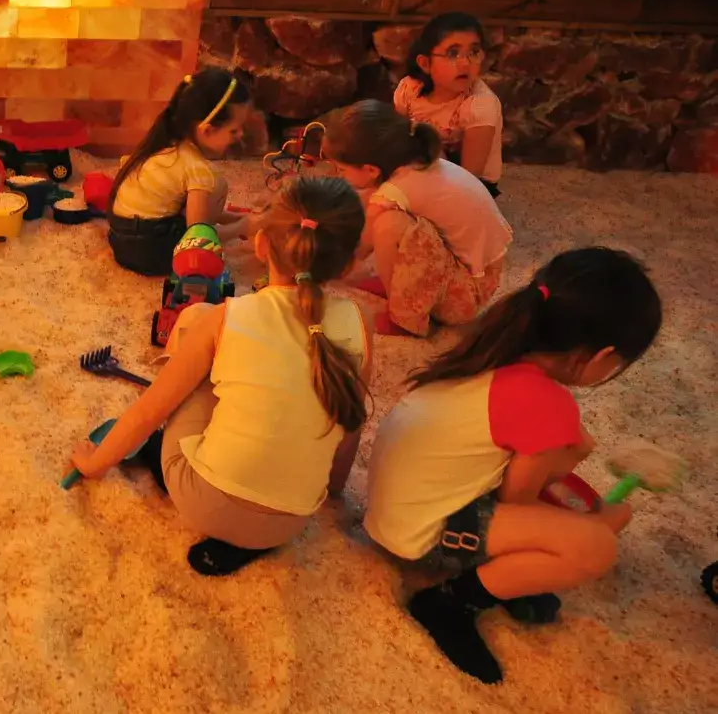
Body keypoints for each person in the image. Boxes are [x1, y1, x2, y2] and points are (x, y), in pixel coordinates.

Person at [363, 247, 663, 684]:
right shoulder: (548, 401)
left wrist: (570, 455)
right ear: (602, 356)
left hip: (392, 514)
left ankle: (502, 580)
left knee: (565, 501)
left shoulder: (494, 350)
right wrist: (597, 523)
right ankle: (451, 602)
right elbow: (516, 500)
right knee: (595, 547)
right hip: (421, 538)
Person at [71, 176, 371, 576]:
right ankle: (245, 528)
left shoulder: (227, 317)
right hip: (291, 521)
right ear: (349, 265)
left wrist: (94, 464)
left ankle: (173, 462)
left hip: (203, 502)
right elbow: (349, 421)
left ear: (261, 245)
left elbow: (149, 410)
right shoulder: (361, 324)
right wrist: (332, 488)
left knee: (193, 326)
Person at [322, 99, 511, 337]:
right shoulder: (416, 164)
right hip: (479, 274)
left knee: (387, 226)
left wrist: (328, 269)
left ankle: (405, 318)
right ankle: (400, 287)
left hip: (467, 295)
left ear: (371, 169)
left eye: (341, 169)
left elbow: (362, 247)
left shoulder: (396, 189)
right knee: (381, 210)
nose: (337, 175)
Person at [107, 68, 253, 276]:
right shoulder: (198, 169)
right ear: (207, 130)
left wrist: (234, 217)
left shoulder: (167, 144)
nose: (241, 135)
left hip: (120, 242)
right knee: (216, 185)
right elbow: (198, 238)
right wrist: (244, 227)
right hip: (151, 253)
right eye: (234, 130)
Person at [395, 12, 504, 197]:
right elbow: (398, 139)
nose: (465, 63)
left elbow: (469, 179)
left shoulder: (481, 104)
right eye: (452, 53)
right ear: (425, 63)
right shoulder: (409, 89)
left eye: (474, 52)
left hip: (471, 183)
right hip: (424, 166)